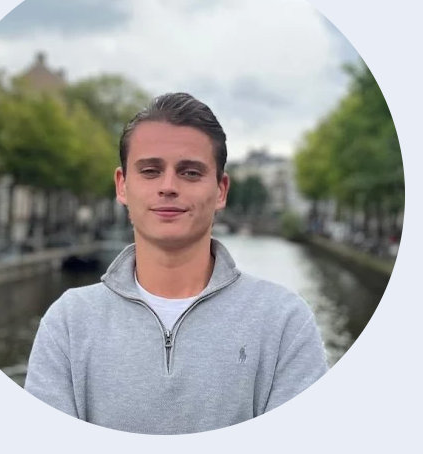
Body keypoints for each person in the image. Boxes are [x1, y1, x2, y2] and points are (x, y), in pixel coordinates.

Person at [24, 93, 328, 434]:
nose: (168, 187)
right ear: (122, 186)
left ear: (221, 190)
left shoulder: (285, 323)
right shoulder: (67, 324)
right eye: (150, 171)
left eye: (190, 173)